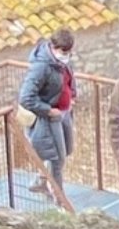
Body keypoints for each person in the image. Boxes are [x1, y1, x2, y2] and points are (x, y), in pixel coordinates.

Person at [19, 28, 77, 211]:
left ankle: (40, 180)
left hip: (63, 114)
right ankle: (61, 202)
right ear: (53, 47)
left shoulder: (60, 63)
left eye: (68, 52)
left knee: (65, 151)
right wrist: (48, 110)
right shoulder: (41, 67)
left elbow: (68, 81)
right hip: (49, 120)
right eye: (63, 52)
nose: (66, 56)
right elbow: (26, 97)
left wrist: (72, 96)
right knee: (56, 159)